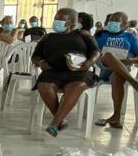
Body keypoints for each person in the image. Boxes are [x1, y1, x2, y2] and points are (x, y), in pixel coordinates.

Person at [29, 8, 100, 137]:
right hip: (52, 71)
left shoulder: (83, 35)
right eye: (55, 19)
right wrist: (41, 63)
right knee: (43, 85)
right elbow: (35, 56)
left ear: (71, 22)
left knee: (76, 85)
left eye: (60, 19)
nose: (56, 22)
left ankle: (54, 124)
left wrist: (89, 63)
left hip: (78, 72)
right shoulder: (48, 37)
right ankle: (60, 121)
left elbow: (96, 52)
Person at [92, 11, 138, 129]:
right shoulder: (100, 35)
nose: (113, 22)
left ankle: (116, 116)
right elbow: (91, 51)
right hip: (104, 68)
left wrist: (130, 61)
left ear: (125, 24)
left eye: (117, 21)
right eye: (111, 20)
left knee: (117, 77)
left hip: (122, 69)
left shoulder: (130, 36)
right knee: (108, 55)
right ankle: (133, 82)